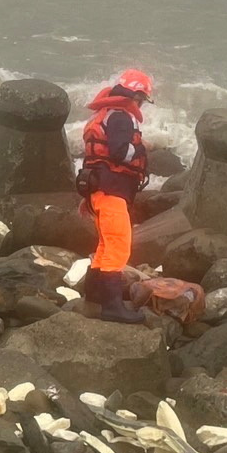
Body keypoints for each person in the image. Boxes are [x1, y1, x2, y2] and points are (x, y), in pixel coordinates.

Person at [77, 68, 153, 323]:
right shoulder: (121, 117)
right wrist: (140, 149)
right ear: (137, 95)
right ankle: (112, 307)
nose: (141, 104)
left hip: (99, 189)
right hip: (112, 190)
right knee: (119, 245)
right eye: (141, 99)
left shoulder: (106, 114)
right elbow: (120, 153)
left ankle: (94, 299)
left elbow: (99, 157)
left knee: (105, 244)